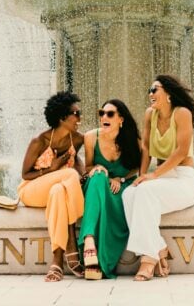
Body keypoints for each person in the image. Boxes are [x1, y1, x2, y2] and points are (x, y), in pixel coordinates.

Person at [122, 74, 194, 281]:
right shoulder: (150, 114)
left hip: (183, 180)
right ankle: (158, 247)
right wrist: (142, 176)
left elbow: (182, 151)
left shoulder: (182, 113)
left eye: (154, 89)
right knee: (129, 194)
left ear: (168, 94)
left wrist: (154, 175)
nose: (150, 93)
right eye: (149, 90)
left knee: (145, 191)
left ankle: (148, 259)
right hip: (160, 179)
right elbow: (146, 147)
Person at [18, 91, 85, 282]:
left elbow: (75, 158)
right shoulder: (40, 141)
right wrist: (52, 168)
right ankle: (72, 242)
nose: (80, 117)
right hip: (32, 189)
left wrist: (83, 172)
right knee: (69, 175)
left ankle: (57, 260)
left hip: (58, 190)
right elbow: (25, 174)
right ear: (63, 117)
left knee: (58, 192)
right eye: (76, 113)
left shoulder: (77, 139)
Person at [78, 98, 141, 280]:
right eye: (101, 113)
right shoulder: (90, 137)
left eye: (110, 114)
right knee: (97, 176)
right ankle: (88, 239)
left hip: (121, 187)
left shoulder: (132, 140)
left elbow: (138, 168)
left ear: (121, 119)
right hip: (97, 187)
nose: (104, 117)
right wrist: (99, 169)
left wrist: (120, 179)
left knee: (118, 193)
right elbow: (88, 167)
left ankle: (98, 262)